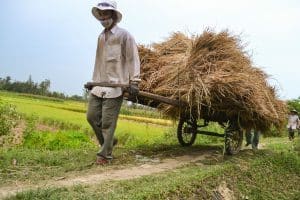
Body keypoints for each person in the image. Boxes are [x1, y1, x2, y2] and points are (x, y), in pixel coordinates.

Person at [86, 0, 140, 165]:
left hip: (116, 86)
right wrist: (93, 81)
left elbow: (132, 58)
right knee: (91, 117)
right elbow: (98, 61)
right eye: (100, 14)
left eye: (106, 13)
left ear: (114, 16)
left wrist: (135, 81)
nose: (103, 17)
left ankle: (105, 155)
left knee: (108, 123)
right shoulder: (101, 37)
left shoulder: (125, 36)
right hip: (99, 84)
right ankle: (110, 141)